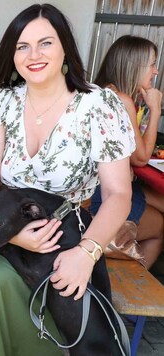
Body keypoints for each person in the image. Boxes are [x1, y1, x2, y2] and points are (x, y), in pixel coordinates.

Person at [0, 4, 135, 355]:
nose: (33, 55)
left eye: (45, 43)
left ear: (65, 46)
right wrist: (14, 233)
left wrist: (87, 252)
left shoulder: (99, 105)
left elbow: (118, 194)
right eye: (22, 46)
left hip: (64, 234)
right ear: (12, 54)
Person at [88, 35, 164, 268]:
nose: (155, 71)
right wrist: (155, 110)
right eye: (151, 64)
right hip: (102, 194)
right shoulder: (120, 100)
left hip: (101, 187)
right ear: (134, 66)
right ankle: (138, 292)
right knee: (160, 226)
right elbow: (140, 158)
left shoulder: (103, 91)